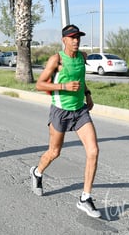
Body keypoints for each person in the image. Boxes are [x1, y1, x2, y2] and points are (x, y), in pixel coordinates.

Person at [30, 24, 101, 218]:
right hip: (60, 112)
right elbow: (39, 84)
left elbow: (81, 78)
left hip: (80, 111)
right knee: (54, 152)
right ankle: (37, 172)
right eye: (72, 37)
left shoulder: (82, 57)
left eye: (78, 37)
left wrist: (87, 94)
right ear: (64, 40)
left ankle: (85, 198)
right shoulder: (57, 59)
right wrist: (63, 86)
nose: (76, 40)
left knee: (93, 151)